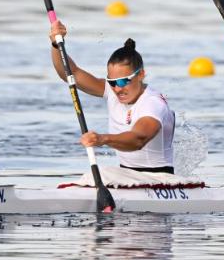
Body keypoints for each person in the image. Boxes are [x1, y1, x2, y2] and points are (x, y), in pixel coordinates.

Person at [49, 21, 176, 173]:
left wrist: (103, 139)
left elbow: (138, 139)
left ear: (141, 74)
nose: (117, 88)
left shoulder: (152, 103)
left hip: (159, 179)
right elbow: (71, 73)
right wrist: (56, 45)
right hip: (127, 175)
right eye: (112, 82)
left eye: (123, 81)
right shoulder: (112, 91)